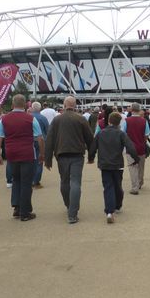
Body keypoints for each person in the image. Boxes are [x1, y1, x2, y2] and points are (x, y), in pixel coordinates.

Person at [44, 96, 93, 224]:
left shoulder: (56, 120)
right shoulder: (81, 119)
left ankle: (68, 204)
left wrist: (47, 160)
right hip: (77, 155)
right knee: (76, 182)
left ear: (64, 105)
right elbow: (90, 139)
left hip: (61, 155)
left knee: (64, 181)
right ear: (75, 105)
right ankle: (73, 213)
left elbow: (49, 140)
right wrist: (91, 156)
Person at [0, 94, 44, 221]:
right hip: (27, 153)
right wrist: (42, 154)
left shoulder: (4, 119)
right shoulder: (30, 118)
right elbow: (39, 137)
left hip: (11, 154)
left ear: (12, 105)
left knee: (16, 180)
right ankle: (25, 212)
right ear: (26, 105)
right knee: (26, 183)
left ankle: (16, 207)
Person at [89, 112, 139, 223]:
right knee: (118, 186)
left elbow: (93, 147)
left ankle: (109, 211)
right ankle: (118, 205)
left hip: (105, 164)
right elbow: (130, 146)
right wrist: (136, 158)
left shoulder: (101, 133)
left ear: (109, 121)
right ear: (119, 122)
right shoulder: (121, 134)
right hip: (117, 164)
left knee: (108, 187)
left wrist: (91, 158)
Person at [123, 103, 150, 195]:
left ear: (131, 110)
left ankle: (135, 187)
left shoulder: (126, 120)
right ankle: (140, 182)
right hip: (141, 147)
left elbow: (123, 134)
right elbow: (146, 135)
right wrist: (143, 141)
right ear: (139, 110)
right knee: (141, 166)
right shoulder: (144, 121)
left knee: (132, 167)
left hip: (130, 148)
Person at [30, 102, 50, 188]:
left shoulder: (28, 117)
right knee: (40, 161)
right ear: (40, 108)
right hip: (41, 141)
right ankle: (36, 181)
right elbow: (48, 130)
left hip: (29, 141)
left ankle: (30, 180)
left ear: (32, 108)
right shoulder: (43, 118)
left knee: (30, 161)